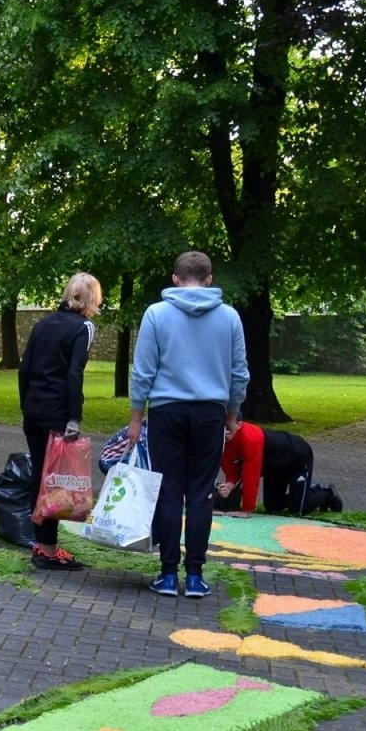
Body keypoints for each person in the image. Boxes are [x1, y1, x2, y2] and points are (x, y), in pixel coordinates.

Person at [126, 251, 249, 598]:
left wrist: (136, 417)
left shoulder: (156, 314)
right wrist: (231, 412)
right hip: (209, 413)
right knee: (200, 494)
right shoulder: (229, 318)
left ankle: (167, 574)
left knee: (168, 491)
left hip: (166, 411)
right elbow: (239, 372)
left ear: (175, 278)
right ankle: (194, 576)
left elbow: (143, 371)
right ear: (209, 279)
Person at [18, 272, 103, 570]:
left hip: (34, 411)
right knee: (55, 483)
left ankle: (42, 545)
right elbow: (74, 373)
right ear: (92, 298)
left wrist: (25, 406)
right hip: (57, 415)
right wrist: (73, 418)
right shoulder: (84, 327)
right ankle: (48, 551)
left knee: (39, 478)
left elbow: (24, 369)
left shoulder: (42, 324)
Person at [216, 422, 339, 515]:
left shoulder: (251, 439)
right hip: (274, 468)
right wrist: (229, 485)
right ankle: (304, 492)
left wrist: (247, 509)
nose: (226, 432)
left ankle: (327, 493)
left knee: (299, 509)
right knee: (273, 507)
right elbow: (233, 472)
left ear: (239, 425)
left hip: (297, 458)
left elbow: (251, 476)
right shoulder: (223, 443)